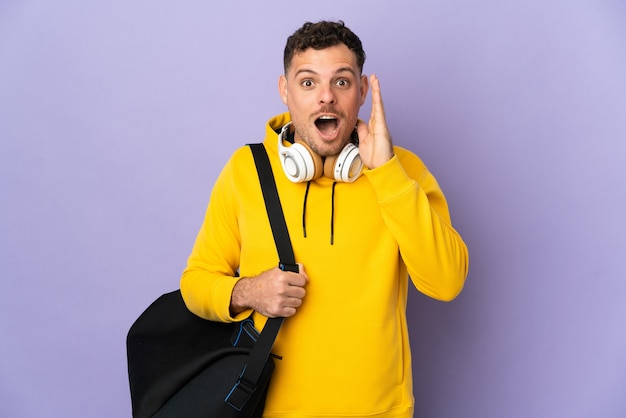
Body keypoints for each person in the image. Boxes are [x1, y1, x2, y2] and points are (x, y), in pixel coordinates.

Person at [181, 20, 468, 418]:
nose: (326, 99)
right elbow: (194, 284)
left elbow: (447, 282)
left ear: (362, 91)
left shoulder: (403, 172)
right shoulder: (246, 171)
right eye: (308, 83)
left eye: (342, 82)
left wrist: (386, 174)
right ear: (285, 91)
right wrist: (249, 292)